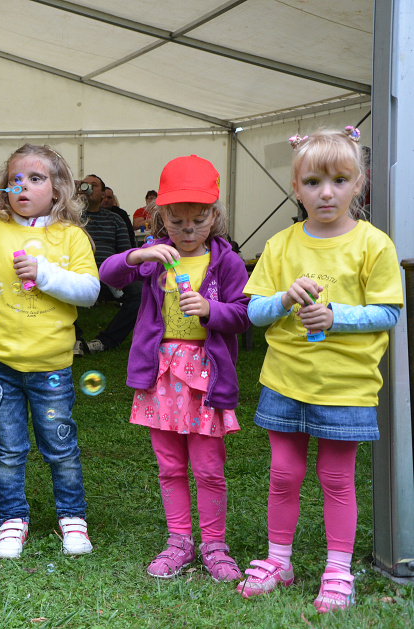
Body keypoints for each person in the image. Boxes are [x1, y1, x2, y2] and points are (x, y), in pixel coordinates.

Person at [239, 127, 403, 613]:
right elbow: (253, 313)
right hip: (285, 381)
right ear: (296, 187)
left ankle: (337, 568)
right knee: (282, 475)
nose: (325, 192)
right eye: (312, 182)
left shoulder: (374, 244)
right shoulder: (281, 244)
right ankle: (279, 560)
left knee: (336, 478)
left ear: (359, 184)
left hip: (345, 387)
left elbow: (389, 313)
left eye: (339, 180)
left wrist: (336, 317)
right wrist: (284, 299)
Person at [100, 155, 250, 581]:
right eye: (178, 220)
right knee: (169, 465)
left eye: (198, 220)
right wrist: (137, 255)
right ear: (160, 215)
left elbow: (243, 315)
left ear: (215, 215)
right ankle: (180, 541)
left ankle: (214, 545)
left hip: (207, 374)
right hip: (161, 373)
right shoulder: (154, 257)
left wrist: (210, 309)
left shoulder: (227, 262)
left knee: (208, 467)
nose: (187, 230)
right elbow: (107, 274)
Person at [0, 144, 100, 559]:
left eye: (36, 178)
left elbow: (90, 292)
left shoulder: (69, 236)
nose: (24, 186)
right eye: (15, 179)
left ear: (57, 190)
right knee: (8, 447)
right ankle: (12, 520)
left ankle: (72, 517)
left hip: (51, 362)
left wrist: (46, 274)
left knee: (60, 444)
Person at [75, 174, 141, 354]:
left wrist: (118, 275)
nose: (87, 187)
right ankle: (75, 340)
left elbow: (125, 254)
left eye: (93, 185)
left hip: (109, 275)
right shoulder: (70, 218)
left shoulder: (115, 220)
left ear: (103, 193)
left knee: (140, 293)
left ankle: (105, 341)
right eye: (85, 185)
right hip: (78, 273)